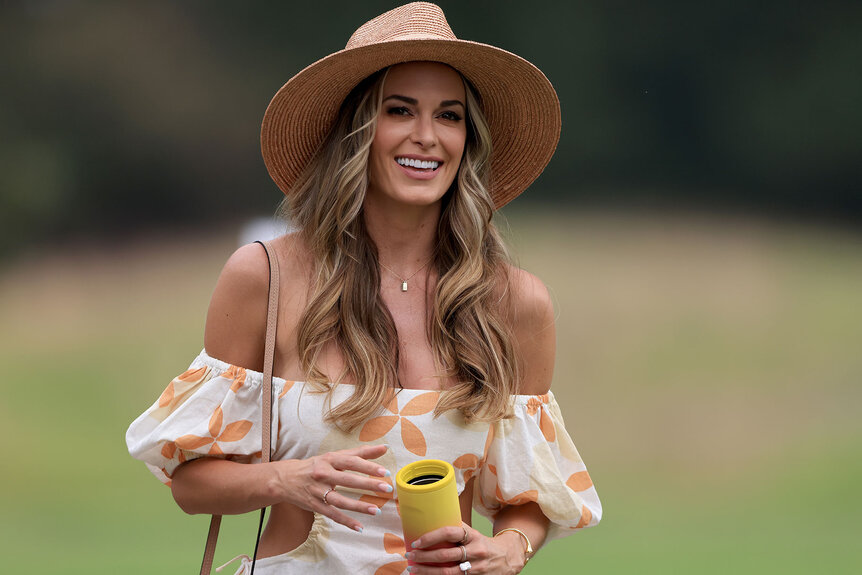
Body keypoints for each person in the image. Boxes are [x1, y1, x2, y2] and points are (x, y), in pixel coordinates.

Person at [126, 3, 601, 574]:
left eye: (449, 116)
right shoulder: (266, 278)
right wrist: (288, 479)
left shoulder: (514, 303)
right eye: (399, 110)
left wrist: (507, 550)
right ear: (355, 132)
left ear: (467, 140)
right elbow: (191, 483)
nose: (426, 137)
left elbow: (526, 497)